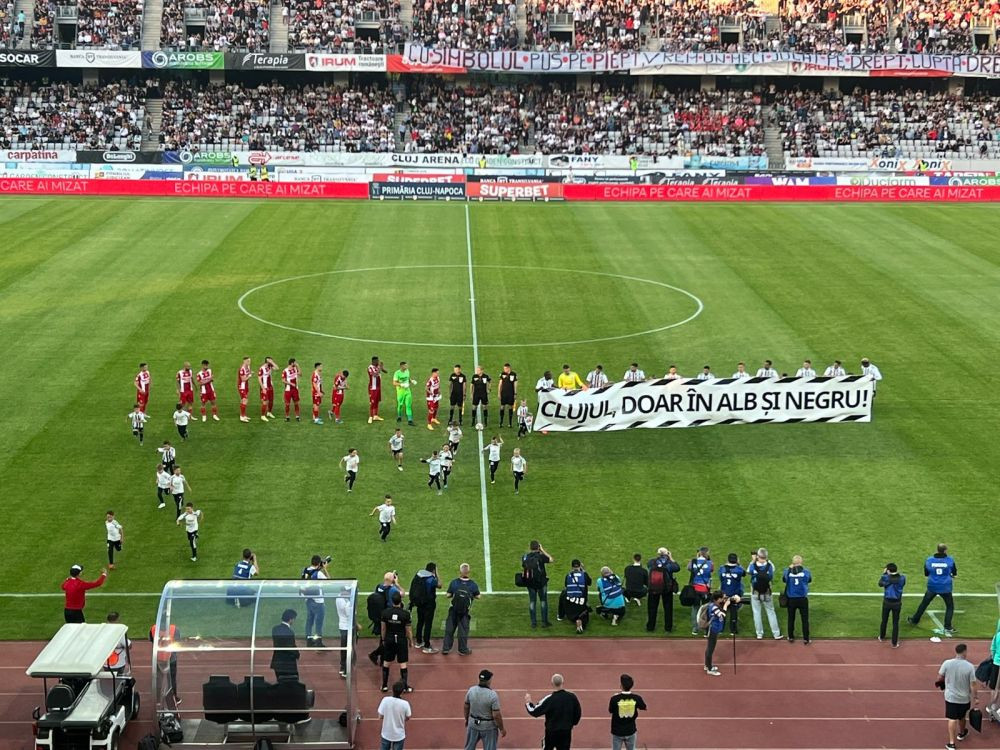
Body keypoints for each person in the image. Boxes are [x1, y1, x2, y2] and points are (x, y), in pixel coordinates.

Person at [908, 543, 957, 633]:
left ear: (937, 550)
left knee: (924, 603)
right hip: (945, 587)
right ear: (945, 550)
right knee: (950, 606)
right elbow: (954, 573)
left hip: (932, 586)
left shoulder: (929, 560)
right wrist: (951, 575)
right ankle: (948, 626)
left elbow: (926, 573)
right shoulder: (950, 560)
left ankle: (915, 619)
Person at [525, 673, 582, 750]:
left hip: (551, 732)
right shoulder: (572, 697)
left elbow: (534, 712)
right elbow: (578, 713)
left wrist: (528, 702)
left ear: (552, 684)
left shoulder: (550, 699)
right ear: (563, 682)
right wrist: (572, 723)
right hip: (566, 731)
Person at [938, 643, 978, 750]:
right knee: (962, 716)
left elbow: (940, 676)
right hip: (964, 698)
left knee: (952, 719)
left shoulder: (947, 663)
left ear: (956, 651)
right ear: (964, 652)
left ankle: (952, 743)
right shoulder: (970, 667)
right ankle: (961, 733)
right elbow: (973, 684)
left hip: (950, 697)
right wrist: (976, 697)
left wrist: (943, 684)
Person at [442, 563, 480, 655]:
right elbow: (478, 596)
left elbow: (448, 595)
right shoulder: (472, 585)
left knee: (449, 629)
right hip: (464, 612)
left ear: (460, 572)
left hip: (453, 610)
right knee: (463, 630)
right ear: (469, 572)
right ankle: (462, 649)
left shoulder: (454, 583)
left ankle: (446, 648)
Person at [380, 591, 414, 693]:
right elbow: (408, 630)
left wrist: (383, 639)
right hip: (401, 640)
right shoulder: (405, 614)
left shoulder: (385, 613)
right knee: (403, 663)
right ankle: (405, 686)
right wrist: (411, 641)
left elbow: (383, 628)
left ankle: (384, 685)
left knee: (386, 662)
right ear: (401, 601)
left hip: (389, 639)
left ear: (392, 601)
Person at [464, 669, 506, 750]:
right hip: (488, 727)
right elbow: (496, 715)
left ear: (479, 679)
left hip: (473, 723)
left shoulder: (471, 690)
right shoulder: (492, 695)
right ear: (489, 680)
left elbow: (466, 706)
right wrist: (502, 729)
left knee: (469, 747)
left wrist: (467, 719)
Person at [749, 548, 782, 640]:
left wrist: (753, 560)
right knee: (771, 612)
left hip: (755, 593)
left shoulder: (752, 566)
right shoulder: (770, 566)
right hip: (767, 592)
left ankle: (759, 634)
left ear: (758, 556)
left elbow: (749, 571)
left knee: (756, 613)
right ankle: (776, 634)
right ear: (766, 557)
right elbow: (772, 571)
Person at [609, 674, 647, 750]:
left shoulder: (614, 699)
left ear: (621, 686)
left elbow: (610, 710)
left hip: (617, 731)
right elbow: (644, 707)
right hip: (630, 730)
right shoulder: (637, 698)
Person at [409, 562, 441, 653]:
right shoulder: (431, 579)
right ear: (434, 570)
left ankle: (419, 642)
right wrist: (437, 574)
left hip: (419, 603)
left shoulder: (419, 574)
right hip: (429, 604)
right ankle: (427, 646)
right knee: (428, 624)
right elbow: (440, 585)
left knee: (420, 621)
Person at [646, 548, 680, 632]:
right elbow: (677, 567)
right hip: (666, 588)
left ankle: (650, 627)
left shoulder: (651, 562)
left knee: (652, 608)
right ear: (667, 554)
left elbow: (648, 565)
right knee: (668, 608)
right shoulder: (669, 564)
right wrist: (671, 557)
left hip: (653, 588)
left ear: (658, 554)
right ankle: (668, 628)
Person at [704, 591, 737, 676]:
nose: (723, 599)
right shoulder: (714, 607)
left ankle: (707, 665)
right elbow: (722, 615)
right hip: (712, 630)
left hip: (715, 629)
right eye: (722, 598)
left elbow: (727, 600)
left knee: (710, 648)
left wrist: (732, 599)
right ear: (718, 599)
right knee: (710, 649)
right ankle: (709, 669)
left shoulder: (716, 604)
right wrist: (726, 605)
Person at [522, 541, 552, 629]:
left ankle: (533, 623)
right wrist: (542, 550)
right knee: (543, 601)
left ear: (530, 547)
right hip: (541, 582)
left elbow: (524, 566)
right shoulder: (541, 556)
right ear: (538, 547)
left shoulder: (525, 557)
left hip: (530, 582)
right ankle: (544, 622)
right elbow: (551, 559)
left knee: (532, 601)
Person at [301, 554, 329, 647]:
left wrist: (319, 568)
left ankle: (309, 640)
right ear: (319, 563)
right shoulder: (319, 573)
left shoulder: (305, 570)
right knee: (319, 622)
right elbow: (330, 582)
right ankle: (319, 641)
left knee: (309, 620)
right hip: (318, 600)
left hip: (308, 599)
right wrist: (325, 569)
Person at [783, 555, 812, 644]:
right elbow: (809, 580)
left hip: (791, 599)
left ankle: (791, 637)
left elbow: (784, 580)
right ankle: (806, 638)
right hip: (802, 599)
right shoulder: (806, 572)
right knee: (805, 619)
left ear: (793, 563)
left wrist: (789, 569)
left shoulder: (787, 571)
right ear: (801, 562)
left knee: (791, 618)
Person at [877, 563, 905, 647]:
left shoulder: (885, 577)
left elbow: (880, 584)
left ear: (888, 570)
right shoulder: (902, 578)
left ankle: (882, 637)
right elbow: (900, 582)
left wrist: (884, 574)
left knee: (884, 620)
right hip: (897, 603)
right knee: (895, 623)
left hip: (887, 602)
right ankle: (894, 643)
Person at [377, 681, 411, 750]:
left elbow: (380, 716)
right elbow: (408, 717)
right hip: (399, 735)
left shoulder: (385, 700)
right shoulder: (405, 704)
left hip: (386, 733)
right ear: (402, 692)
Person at [687, 548, 713, 635]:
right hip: (705, 589)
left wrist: (696, 558)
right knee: (706, 609)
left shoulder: (693, 562)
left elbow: (689, 568)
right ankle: (706, 630)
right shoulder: (710, 563)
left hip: (695, 589)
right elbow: (711, 570)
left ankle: (695, 628)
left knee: (695, 608)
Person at [718, 553, 746, 634]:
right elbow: (744, 573)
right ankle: (733, 630)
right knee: (734, 612)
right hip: (735, 594)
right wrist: (739, 564)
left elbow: (720, 577)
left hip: (724, 594)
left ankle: (720, 629)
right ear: (736, 560)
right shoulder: (739, 569)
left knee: (722, 611)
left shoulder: (722, 568)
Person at [270, 609, 300, 682]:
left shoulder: (275, 629)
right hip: (288, 664)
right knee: (292, 684)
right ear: (290, 619)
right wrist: (297, 654)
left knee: (280, 683)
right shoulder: (289, 632)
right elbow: (291, 647)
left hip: (277, 662)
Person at [563, 560, 592, 634]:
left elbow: (566, 586)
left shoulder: (568, 575)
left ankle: (576, 620)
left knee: (573, 613)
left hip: (571, 601)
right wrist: (584, 570)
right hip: (582, 600)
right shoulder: (584, 574)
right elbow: (589, 582)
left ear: (572, 567)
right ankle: (579, 621)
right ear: (580, 566)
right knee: (584, 617)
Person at [336, 584, 357, 677]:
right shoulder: (345, 601)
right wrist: (357, 624)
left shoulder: (339, 598)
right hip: (347, 626)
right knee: (348, 648)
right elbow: (349, 614)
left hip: (344, 626)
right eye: (347, 591)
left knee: (344, 648)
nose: (349, 592)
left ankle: (343, 666)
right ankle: (345, 669)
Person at [393, 361, 416, 426]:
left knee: (408, 405)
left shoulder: (407, 371)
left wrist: (412, 381)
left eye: (407, 365)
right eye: (405, 366)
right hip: (400, 392)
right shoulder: (397, 373)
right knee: (400, 405)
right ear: (401, 366)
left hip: (407, 391)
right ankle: (399, 416)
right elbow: (394, 383)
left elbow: (408, 378)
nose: (407, 367)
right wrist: (401, 384)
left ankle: (410, 420)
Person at [368, 356, 388, 424]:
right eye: (377, 361)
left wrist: (382, 367)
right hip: (372, 388)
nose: (378, 362)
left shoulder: (377, 366)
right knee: (372, 402)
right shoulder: (370, 367)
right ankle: (370, 417)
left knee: (377, 401)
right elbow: (375, 375)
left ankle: (375, 415)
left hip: (378, 387)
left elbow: (386, 372)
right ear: (373, 361)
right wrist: (379, 368)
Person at [498, 363, 518, 428]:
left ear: (509, 368)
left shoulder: (513, 374)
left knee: (510, 407)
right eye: (504, 369)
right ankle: (501, 422)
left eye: (505, 368)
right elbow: (500, 384)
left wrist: (515, 393)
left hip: (510, 393)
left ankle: (510, 423)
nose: (504, 370)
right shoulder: (502, 374)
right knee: (502, 407)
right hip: (503, 393)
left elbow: (515, 384)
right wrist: (499, 393)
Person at [258, 355, 277, 420]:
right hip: (265, 387)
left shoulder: (270, 366)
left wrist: (272, 362)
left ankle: (269, 412)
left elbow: (277, 368)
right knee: (265, 401)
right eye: (270, 360)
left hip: (270, 386)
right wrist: (263, 388)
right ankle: (262, 416)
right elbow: (259, 378)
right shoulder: (262, 368)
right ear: (267, 361)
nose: (272, 361)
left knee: (271, 400)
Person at [282, 357, 301, 422]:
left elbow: (300, 374)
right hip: (288, 390)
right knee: (287, 404)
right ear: (292, 363)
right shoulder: (285, 371)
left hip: (295, 389)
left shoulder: (295, 369)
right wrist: (290, 384)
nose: (296, 363)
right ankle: (287, 417)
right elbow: (283, 380)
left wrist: (298, 366)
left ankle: (297, 416)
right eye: (295, 362)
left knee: (296, 403)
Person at [237, 356, 252, 423]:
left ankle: (243, 415)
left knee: (243, 400)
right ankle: (242, 416)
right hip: (242, 386)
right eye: (248, 361)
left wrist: (250, 373)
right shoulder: (242, 369)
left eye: (250, 361)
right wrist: (249, 376)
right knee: (245, 400)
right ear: (244, 361)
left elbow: (248, 373)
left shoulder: (248, 367)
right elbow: (243, 379)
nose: (249, 362)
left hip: (246, 386)